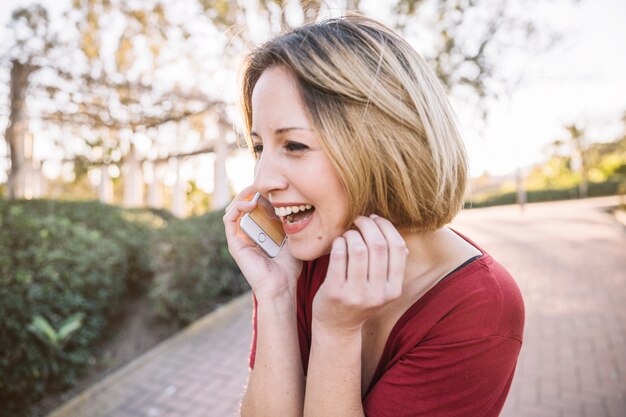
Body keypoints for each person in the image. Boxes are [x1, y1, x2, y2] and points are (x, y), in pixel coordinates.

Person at [223, 14, 524, 417]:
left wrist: (336, 333)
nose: (261, 181)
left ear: (380, 143)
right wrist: (275, 296)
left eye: (293, 145)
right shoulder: (307, 254)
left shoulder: (480, 308)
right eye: (260, 147)